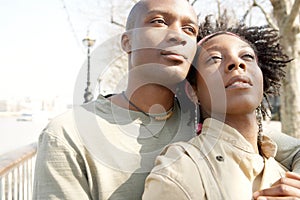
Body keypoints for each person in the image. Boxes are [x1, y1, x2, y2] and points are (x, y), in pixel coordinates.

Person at [33, 1, 300, 199]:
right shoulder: (68, 134)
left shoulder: (207, 121)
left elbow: (284, 150)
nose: (178, 35)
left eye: (189, 29)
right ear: (127, 41)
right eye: (159, 21)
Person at [142, 19, 300, 200]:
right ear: (193, 91)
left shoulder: (287, 172)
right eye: (214, 58)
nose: (236, 62)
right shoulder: (181, 167)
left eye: (247, 57)